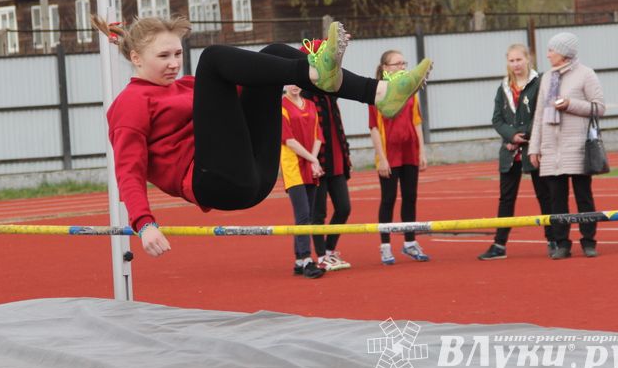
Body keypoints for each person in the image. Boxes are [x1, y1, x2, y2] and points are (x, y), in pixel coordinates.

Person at [99, 16, 431, 257]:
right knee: (213, 59)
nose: (174, 64)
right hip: (215, 182)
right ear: (136, 58)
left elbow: (255, 76)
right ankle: (318, 68)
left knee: (273, 52)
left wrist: (310, 55)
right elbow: (128, 170)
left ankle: (380, 93)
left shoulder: (185, 87)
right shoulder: (129, 104)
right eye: (163, 56)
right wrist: (144, 223)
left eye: (177, 54)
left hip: (254, 174)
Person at [529, 32, 605, 260]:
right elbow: (540, 115)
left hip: (578, 146)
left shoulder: (586, 74)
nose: (548, 54)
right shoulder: (546, 77)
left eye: (552, 50)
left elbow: (599, 108)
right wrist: (535, 147)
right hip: (552, 148)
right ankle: (562, 243)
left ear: (563, 53)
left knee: (584, 196)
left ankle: (589, 241)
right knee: (556, 198)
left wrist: (570, 105)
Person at [479, 44, 554, 260]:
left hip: (535, 150)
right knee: (506, 199)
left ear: (527, 59)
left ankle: (553, 240)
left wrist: (525, 136)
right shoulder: (503, 88)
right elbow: (497, 119)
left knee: (545, 196)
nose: (515, 64)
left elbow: (542, 115)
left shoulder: (539, 84)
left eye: (519, 60)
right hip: (510, 153)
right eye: (511, 61)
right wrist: (511, 136)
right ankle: (499, 245)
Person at [368, 50, 430, 265]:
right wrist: (381, 157)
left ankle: (410, 243)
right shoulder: (377, 92)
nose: (402, 66)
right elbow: (374, 128)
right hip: (389, 155)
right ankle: (385, 246)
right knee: (388, 199)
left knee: (410, 198)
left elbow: (417, 122)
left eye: (404, 63)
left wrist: (422, 151)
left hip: (409, 153)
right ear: (385, 67)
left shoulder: (410, 90)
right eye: (397, 63)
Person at [300, 80, 352, 272]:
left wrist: (346, 156)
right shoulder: (307, 96)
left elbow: (338, 127)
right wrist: (312, 161)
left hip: (337, 162)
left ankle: (329, 250)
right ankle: (321, 257)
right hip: (318, 162)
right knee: (318, 214)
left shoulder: (331, 94)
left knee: (344, 208)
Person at [280, 84, 326, 279]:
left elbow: (318, 136)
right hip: (293, 166)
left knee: (306, 215)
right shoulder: (281, 106)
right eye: (290, 82)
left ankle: (299, 260)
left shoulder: (310, 104)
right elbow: (289, 140)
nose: (295, 86)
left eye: (297, 82)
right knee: (303, 214)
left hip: (309, 165)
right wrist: (313, 159)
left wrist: (313, 160)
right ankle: (307, 259)